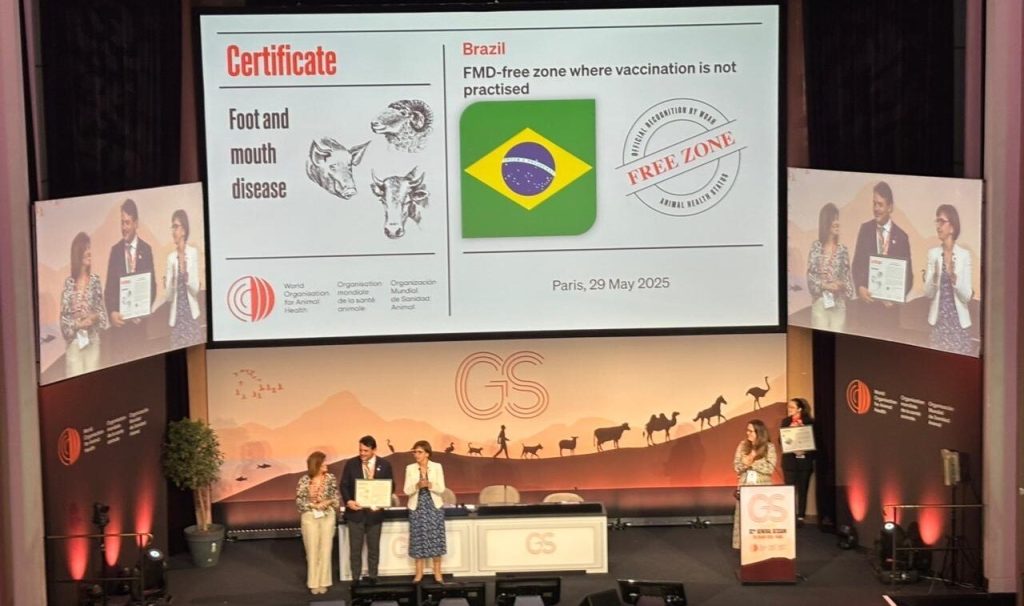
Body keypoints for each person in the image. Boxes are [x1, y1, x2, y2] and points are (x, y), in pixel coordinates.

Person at [851, 181, 913, 334]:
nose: (876, 209)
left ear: (890, 207)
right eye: (874, 204)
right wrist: (860, 287)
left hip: (889, 316)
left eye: (880, 204)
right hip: (866, 313)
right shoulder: (865, 230)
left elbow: (908, 277)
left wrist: (896, 298)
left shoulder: (902, 237)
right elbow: (856, 265)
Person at [104, 198, 156, 362]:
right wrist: (112, 313)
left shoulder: (146, 250)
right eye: (122, 223)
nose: (124, 227)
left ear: (136, 223)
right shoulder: (115, 251)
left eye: (127, 223)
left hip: (139, 331)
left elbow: (152, 287)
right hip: (120, 333)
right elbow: (109, 289)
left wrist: (143, 310)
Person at [340, 435, 394, 583]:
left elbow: (391, 486)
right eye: (360, 450)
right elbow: (344, 485)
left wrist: (382, 499)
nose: (362, 453)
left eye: (365, 450)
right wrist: (348, 501)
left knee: (373, 548)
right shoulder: (351, 464)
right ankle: (355, 579)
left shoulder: (385, 465)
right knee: (355, 549)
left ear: (374, 450)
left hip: (375, 515)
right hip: (355, 514)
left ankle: (373, 577)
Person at [923, 204, 973, 354]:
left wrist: (954, 279)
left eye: (942, 221)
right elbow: (928, 294)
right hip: (939, 323)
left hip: (958, 324)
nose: (938, 226)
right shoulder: (933, 254)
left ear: (952, 227)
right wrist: (934, 278)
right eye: (937, 221)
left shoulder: (964, 256)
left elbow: (967, 296)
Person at [59, 232, 109, 376]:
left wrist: (93, 317)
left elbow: (103, 318)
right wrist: (78, 324)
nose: (89, 252)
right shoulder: (69, 284)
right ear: (78, 253)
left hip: (92, 341)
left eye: (89, 248)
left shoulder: (95, 281)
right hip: (74, 344)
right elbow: (64, 324)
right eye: (86, 248)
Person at [296, 451, 339, 595]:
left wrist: (327, 502)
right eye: (323, 462)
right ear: (317, 465)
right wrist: (313, 505)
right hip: (310, 517)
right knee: (312, 550)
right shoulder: (304, 480)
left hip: (327, 516)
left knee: (326, 549)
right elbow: (300, 502)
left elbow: (335, 498)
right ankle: (314, 583)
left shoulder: (331, 478)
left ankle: (324, 581)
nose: (326, 464)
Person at [806, 203, 854, 331]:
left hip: (838, 305)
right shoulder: (816, 247)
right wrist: (826, 286)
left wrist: (841, 285)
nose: (837, 223)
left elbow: (848, 283)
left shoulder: (842, 250)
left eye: (838, 219)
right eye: (833, 219)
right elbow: (810, 280)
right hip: (820, 304)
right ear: (825, 222)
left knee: (837, 340)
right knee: (821, 340)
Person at [403, 440, 446, 583]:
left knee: (436, 540)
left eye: (419, 452)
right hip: (417, 507)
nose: (416, 455)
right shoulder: (410, 468)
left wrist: (429, 484)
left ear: (427, 453)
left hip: (434, 507)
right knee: (418, 540)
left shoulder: (437, 467)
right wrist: (417, 486)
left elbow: (441, 488)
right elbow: (406, 490)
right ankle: (419, 573)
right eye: (414, 452)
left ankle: (437, 573)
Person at [732, 419, 778, 549]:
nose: (748, 433)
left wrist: (751, 462)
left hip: (763, 487)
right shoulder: (742, 445)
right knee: (744, 516)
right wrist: (745, 464)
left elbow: (770, 468)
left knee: (761, 517)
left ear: (759, 432)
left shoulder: (769, 447)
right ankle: (744, 546)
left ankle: (762, 546)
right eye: (747, 430)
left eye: (751, 431)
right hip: (745, 485)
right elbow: (737, 466)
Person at [164, 209, 201, 349]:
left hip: (191, 317)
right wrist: (172, 281)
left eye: (176, 226)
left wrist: (186, 275)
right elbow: (168, 297)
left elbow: (195, 290)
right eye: (172, 227)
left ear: (184, 230)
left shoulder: (192, 253)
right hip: (177, 319)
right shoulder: (170, 258)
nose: (173, 231)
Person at [780, 398, 815, 525]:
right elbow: (780, 440)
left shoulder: (810, 422)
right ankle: (789, 515)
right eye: (788, 407)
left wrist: (805, 450)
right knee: (789, 490)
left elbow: (815, 441)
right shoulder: (785, 422)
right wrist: (788, 432)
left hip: (805, 461)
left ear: (799, 409)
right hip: (789, 461)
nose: (789, 409)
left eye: (792, 407)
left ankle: (801, 516)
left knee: (803, 490)